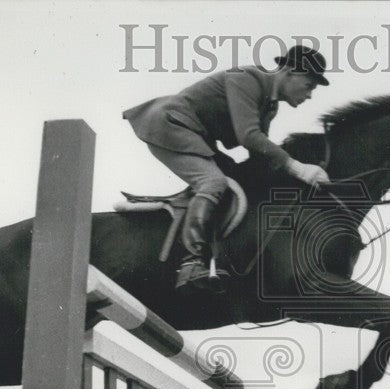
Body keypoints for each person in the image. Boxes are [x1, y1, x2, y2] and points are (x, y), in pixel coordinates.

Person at [122, 44, 333, 293]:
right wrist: (297, 168)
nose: (309, 95)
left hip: (195, 135)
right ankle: (191, 262)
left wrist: (301, 178)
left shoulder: (270, 106)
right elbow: (249, 136)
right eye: (309, 85)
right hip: (169, 125)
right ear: (289, 71)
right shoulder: (247, 79)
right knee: (213, 183)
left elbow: (258, 155)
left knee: (237, 178)